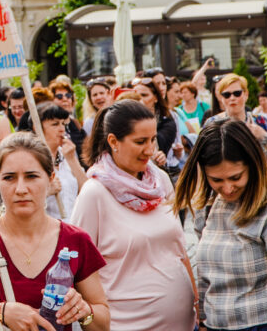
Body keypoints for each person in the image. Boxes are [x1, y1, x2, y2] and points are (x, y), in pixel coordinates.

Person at [0, 133, 110, 331]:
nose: (21, 189)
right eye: (9, 178)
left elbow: (102, 323)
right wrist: (0, 312)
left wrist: (83, 311)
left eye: (31, 176)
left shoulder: (75, 240)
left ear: (51, 178)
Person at [174, 119, 267, 331]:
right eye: (217, 180)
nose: (227, 188)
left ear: (252, 165)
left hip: (263, 324)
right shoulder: (208, 205)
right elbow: (206, 275)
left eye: (235, 177)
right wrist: (202, 320)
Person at [73, 100, 196, 329]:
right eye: (140, 142)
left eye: (152, 140)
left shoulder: (159, 179)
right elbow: (79, 267)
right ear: (113, 141)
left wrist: (197, 304)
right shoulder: (94, 193)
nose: (150, 150)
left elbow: (179, 250)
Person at [33, 101, 87, 222]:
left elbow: (86, 190)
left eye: (63, 124)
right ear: (37, 128)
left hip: (73, 226)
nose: (62, 129)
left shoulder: (66, 153)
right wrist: (46, 192)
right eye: (55, 124)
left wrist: (72, 160)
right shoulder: (31, 158)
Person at [204, 74, 267, 143]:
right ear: (221, 98)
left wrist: (264, 136)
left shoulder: (260, 121)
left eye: (237, 93)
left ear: (246, 94)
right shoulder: (212, 123)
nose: (232, 98)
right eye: (227, 95)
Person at [130, 77, 171, 170]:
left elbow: (155, 153)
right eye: (136, 95)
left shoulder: (167, 122)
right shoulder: (124, 122)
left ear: (156, 98)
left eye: (144, 95)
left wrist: (160, 158)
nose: (139, 99)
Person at [49, 78, 87, 160]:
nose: (65, 99)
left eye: (68, 95)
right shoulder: (49, 127)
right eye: (59, 96)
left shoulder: (76, 124)